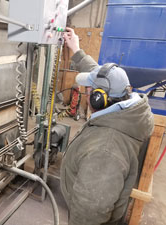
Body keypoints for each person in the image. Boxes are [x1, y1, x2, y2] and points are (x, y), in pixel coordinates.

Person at [60, 27, 154, 225]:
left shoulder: (105, 151)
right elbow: (100, 74)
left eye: (89, 89)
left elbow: (89, 213)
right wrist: (76, 50)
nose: (85, 92)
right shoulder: (127, 111)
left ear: (98, 98)